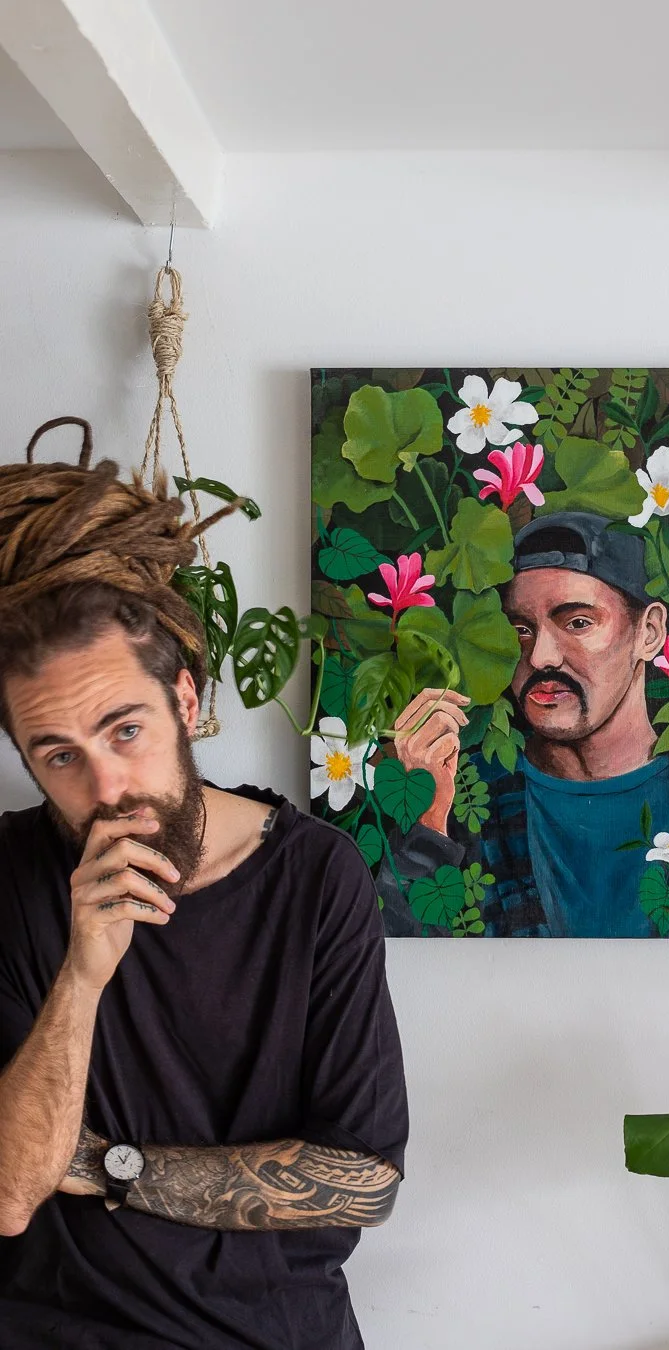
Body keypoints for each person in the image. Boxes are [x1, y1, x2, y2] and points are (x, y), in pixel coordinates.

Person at [0, 423, 407, 1349]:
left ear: (185, 701)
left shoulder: (316, 878)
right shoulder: (10, 879)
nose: (105, 789)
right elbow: (11, 1194)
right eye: (58, 755)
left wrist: (112, 1167)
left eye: (125, 730)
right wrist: (84, 973)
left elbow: (364, 1180)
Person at [380, 511, 669, 938]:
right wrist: (428, 825)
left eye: (578, 622)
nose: (541, 657)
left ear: (649, 633)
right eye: (521, 629)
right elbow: (395, 958)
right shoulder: (463, 795)